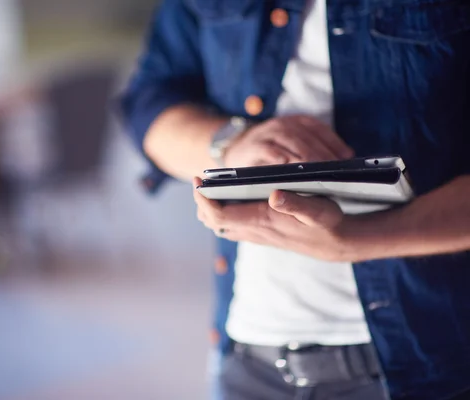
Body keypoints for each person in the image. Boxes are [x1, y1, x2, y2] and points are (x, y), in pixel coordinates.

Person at [119, 0, 470, 399]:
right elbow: (149, 101)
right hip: (244, 363)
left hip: (431, 367)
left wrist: (361, 239)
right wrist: (231, 144)